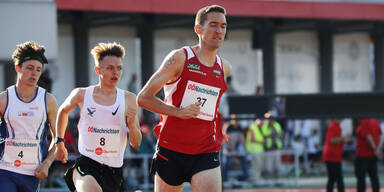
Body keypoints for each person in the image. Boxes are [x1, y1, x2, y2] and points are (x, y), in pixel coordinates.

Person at [137, 5, 231, 192]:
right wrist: (178, 112)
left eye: (223, 26)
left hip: (206, 150)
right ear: (198, 29)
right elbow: (144, 98)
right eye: (213, 25)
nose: (219, 30)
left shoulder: (224, 67)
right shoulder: (180, 58)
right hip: (172, 149)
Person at [56, 42, 142, 192]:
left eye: (119, 68)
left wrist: (132, 125)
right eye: (110, 68)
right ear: (97, 70)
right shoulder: (82, 94)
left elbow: (136, 143)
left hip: (114, 170)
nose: (115, 72)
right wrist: (59, 142)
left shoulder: (129, 99)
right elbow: (62, 111)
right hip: (86, 165)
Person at [0, 41, 58, 191]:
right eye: (30, 68)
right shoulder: (4, 99)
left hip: (33, 173)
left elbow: (59, 139)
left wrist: (47, 163)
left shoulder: (48, 101)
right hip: (5, 170)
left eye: (38, 70)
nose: (34, 73)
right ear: (18, 68)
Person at [354, 118, 383, 192]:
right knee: (374, 177)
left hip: (363, 155)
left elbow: (368, 137)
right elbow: (381, 136)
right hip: (372, 156)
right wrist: (378, 149)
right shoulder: (375, 121)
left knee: (361, 178)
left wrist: (375, 149)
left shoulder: (364, 121)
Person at [322, 119, 351, 192]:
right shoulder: (333, 126)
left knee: (334, 178)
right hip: (332, 156)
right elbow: (332, 140)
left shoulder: (337, 126)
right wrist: (344, 137)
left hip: (335, 156)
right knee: (336, 178)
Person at [245, 119, 264, 185]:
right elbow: (252, 139)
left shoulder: (257, 128)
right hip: (254, 150)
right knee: (256, 165)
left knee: (257, 165)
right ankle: (255, 179)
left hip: (257, 150)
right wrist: (261, 142)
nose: (262, 124)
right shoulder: (252, 127)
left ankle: (256, 179)